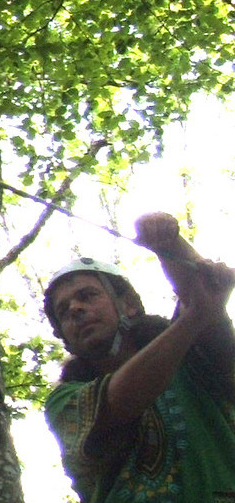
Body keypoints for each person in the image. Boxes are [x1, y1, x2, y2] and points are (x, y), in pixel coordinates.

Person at [42, 212, 235, 502]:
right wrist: (194, 315)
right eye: (63, 310)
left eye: (88, 295)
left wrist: (168, 241)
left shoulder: (192, 360)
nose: (75, 309)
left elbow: (200, 296)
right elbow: (120, 401)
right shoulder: (65, 402)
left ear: (129, 304)